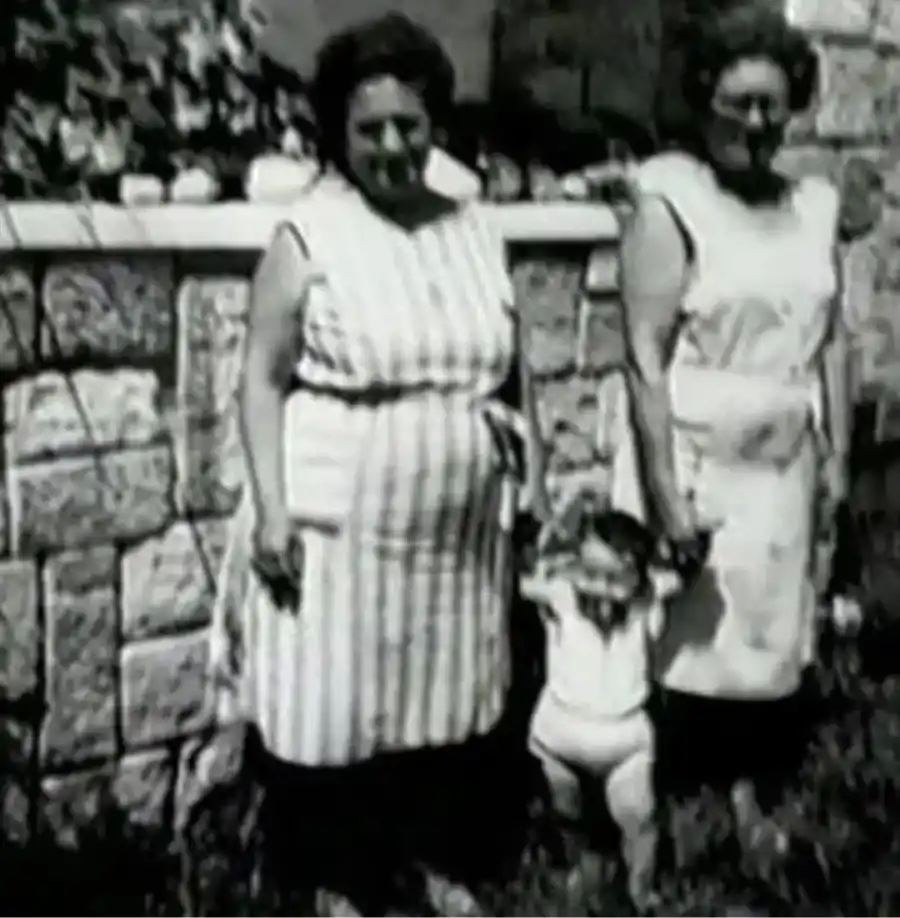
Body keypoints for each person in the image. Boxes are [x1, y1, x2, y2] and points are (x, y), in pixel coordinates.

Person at [208, 12, 548, 917]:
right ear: (339, 134)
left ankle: (430, 863)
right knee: (336, 707)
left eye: (409, 124)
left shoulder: (474, 227)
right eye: (371, 130)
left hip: (456, 531)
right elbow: (261, 379)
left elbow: (514, 371)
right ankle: (336, 881)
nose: (393, 146)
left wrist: (536, 482)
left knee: (442, 697)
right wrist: (272, 511)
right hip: (341, 521)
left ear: (435, 122)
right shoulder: (310, 235)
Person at [609, 1, 852, 855]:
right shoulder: (671, 199)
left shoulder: (815, 204)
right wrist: (665, 494)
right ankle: (671, 795)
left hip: (784, 453)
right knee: (689, 634)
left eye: (771, 106)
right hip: (697, 450)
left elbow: (834, 336)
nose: (755, 123)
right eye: (738, 104)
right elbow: (644, 358)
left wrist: (838, 456)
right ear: (703, 101)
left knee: (767, 633)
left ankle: (751, 789)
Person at [522, 490, 680, 912]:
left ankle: (642, 890)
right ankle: (581, 866)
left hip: (625, 742)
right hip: (559, 737)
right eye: (589, 574)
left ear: (638, 580)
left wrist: (662, 552)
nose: (601, 589)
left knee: (639, 821)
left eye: (615, 579)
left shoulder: (647, 605)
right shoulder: (561, 598)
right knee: (567, 812)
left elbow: (678, 573)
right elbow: (525, 577)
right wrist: (556, 541)